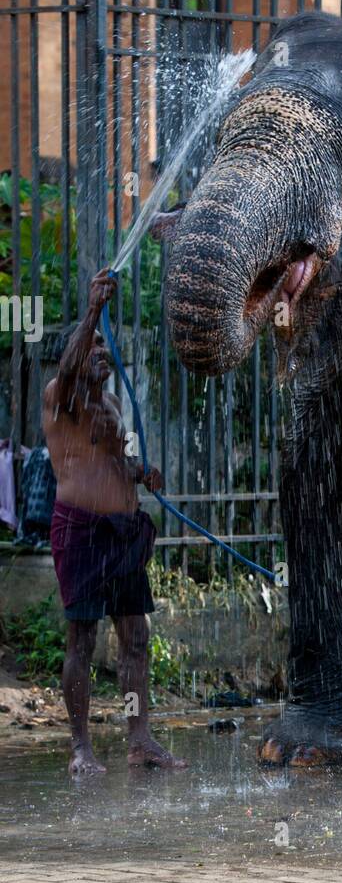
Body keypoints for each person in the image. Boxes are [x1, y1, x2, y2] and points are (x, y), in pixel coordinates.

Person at [43, 269, 186, 775]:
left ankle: (139, 739)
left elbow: (118, 462)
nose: (103, 352)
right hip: (81, 530)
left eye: (107, 346)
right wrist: (92, 312)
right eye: (95, 345)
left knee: (136, 637)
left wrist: (141, 473)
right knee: (82, 639)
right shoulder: (62, 397)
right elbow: (69, 361)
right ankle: (80, 747)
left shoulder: (115, 406)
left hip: (123, 534)